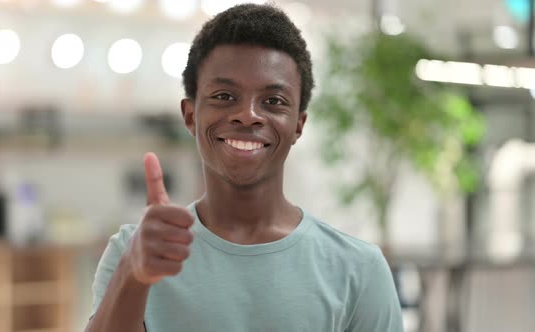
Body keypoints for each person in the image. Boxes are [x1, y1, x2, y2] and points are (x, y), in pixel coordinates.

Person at [85, 4, 403, 332]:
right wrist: (133, 277)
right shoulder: (134, 252)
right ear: (190, 116)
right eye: (224, 95)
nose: (248, 115)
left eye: (274, 101)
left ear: (298, 125)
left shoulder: (358, 269)